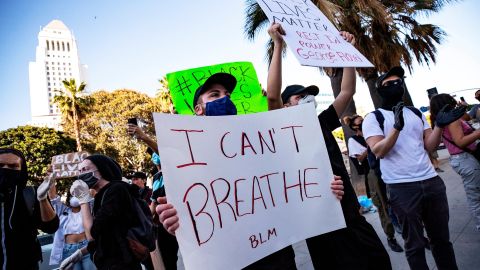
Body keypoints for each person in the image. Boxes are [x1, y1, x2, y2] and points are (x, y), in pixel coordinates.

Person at [155, 71, 346, 270]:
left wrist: (325, 186)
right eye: (215, 95)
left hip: (278, 256)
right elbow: (189, 214)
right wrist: (174, 221)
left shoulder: (258, 143)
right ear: (198, 109)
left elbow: (292, 178)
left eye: (227, 94)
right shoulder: (186, 159)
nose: (225, 98)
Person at [266, 22, 391, 270]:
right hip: (319, 221)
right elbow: (272, 96)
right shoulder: (282, 127)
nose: (306, 99)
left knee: (377, 261)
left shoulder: (322, 122)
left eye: (308, 95)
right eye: (299, 97)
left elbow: (347, 91)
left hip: (349, 212)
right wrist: (278, 44)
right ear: (287, 106)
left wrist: (347, 52)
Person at [363, 66, 461, 269]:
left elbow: (430, 146)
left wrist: (439, 126)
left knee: (442, 240)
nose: (396, 85)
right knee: (415, 245)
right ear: (380, 90)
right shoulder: (374, 118)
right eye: (389, 83)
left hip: (431, 182)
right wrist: (396, 128)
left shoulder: (416, 113)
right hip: (402, 188)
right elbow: (379, 151)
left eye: (399, 81)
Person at [61, 154, 144, 270]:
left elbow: (91, 235)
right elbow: (105, 236)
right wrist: (81, 252)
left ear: (102, 170)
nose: (81, 175)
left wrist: (83, 201)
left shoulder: (115, 191)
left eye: (85, 169)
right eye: (79, 171)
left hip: (121, 264)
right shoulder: (103, 196)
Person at [343, 115, 403, 253]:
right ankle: (391, 237)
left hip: (387, 167)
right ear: (355, 128)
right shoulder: (354, 140)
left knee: (398, 199)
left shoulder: (374, 132)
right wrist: (371, 146)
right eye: (360, 123)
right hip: (373, 173)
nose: (364, 124)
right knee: (382, 204)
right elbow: (359, 158)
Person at [0, 148, 59, 269]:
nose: (6, 169)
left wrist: (42, 198)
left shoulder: (31, 194)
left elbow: (51, 227)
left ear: (22, 170)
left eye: (13, 166)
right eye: (0, 165)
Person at [430, 93, 480, 232]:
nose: (454, 102)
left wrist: (463, 107)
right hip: (465, 159)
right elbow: (460, 141)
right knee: (475, 198)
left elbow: (468, 117)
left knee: (475, 195)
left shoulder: (446, 119)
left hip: (462, 160)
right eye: (451, 100)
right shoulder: (451, 120)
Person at [48, 177, 96, 270]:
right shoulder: (62, 210)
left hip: (86, 248)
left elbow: (93, 191)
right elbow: (52, 197)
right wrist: (51, 177)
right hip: (68, 250)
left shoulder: (89, 208)